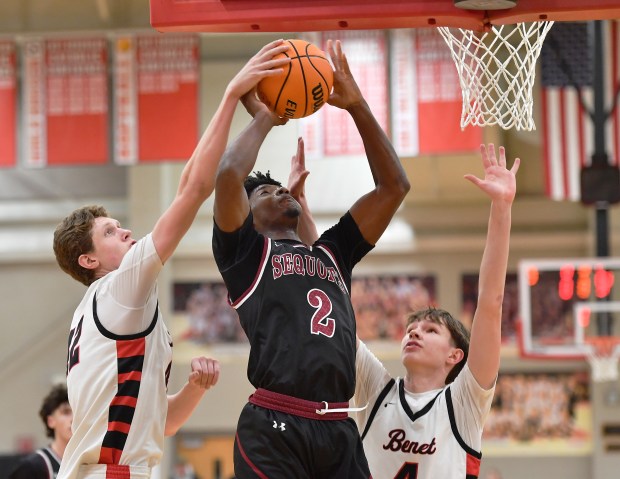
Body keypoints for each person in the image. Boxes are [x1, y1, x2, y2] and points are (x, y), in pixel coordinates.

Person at [52, 39, 293, 479]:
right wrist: (229, 97)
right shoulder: (118, 289)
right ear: (88, 260)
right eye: (109, 231)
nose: (124, 230)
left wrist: (194, 390)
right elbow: (193, 189)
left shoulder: (99, 315)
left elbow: (158, 426)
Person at [212, 39, 410, 478]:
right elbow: (228, 174)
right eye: (265, 192)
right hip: (274, 425)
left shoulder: (333, 254)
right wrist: (266, 116)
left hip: (339, 426)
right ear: (248, 215)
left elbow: (394, 188)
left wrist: (356, 105)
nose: (280, 190)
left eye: (280, 187)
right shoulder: (245, 254)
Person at [353, 144, 520, 479]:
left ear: (455, 356)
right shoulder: (375, 389)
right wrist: (305, 220)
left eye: (431, 331)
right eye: (413, 328)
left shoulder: (464, 402)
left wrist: (501, 208)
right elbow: (335, 308)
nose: (414, 332)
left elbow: (490, 302)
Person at [9, 384, 72, 479]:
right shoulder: (32, 467)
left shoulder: (90, 463)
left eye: (77, 412)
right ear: (51, 421)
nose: (73, 418)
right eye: (66, 412)